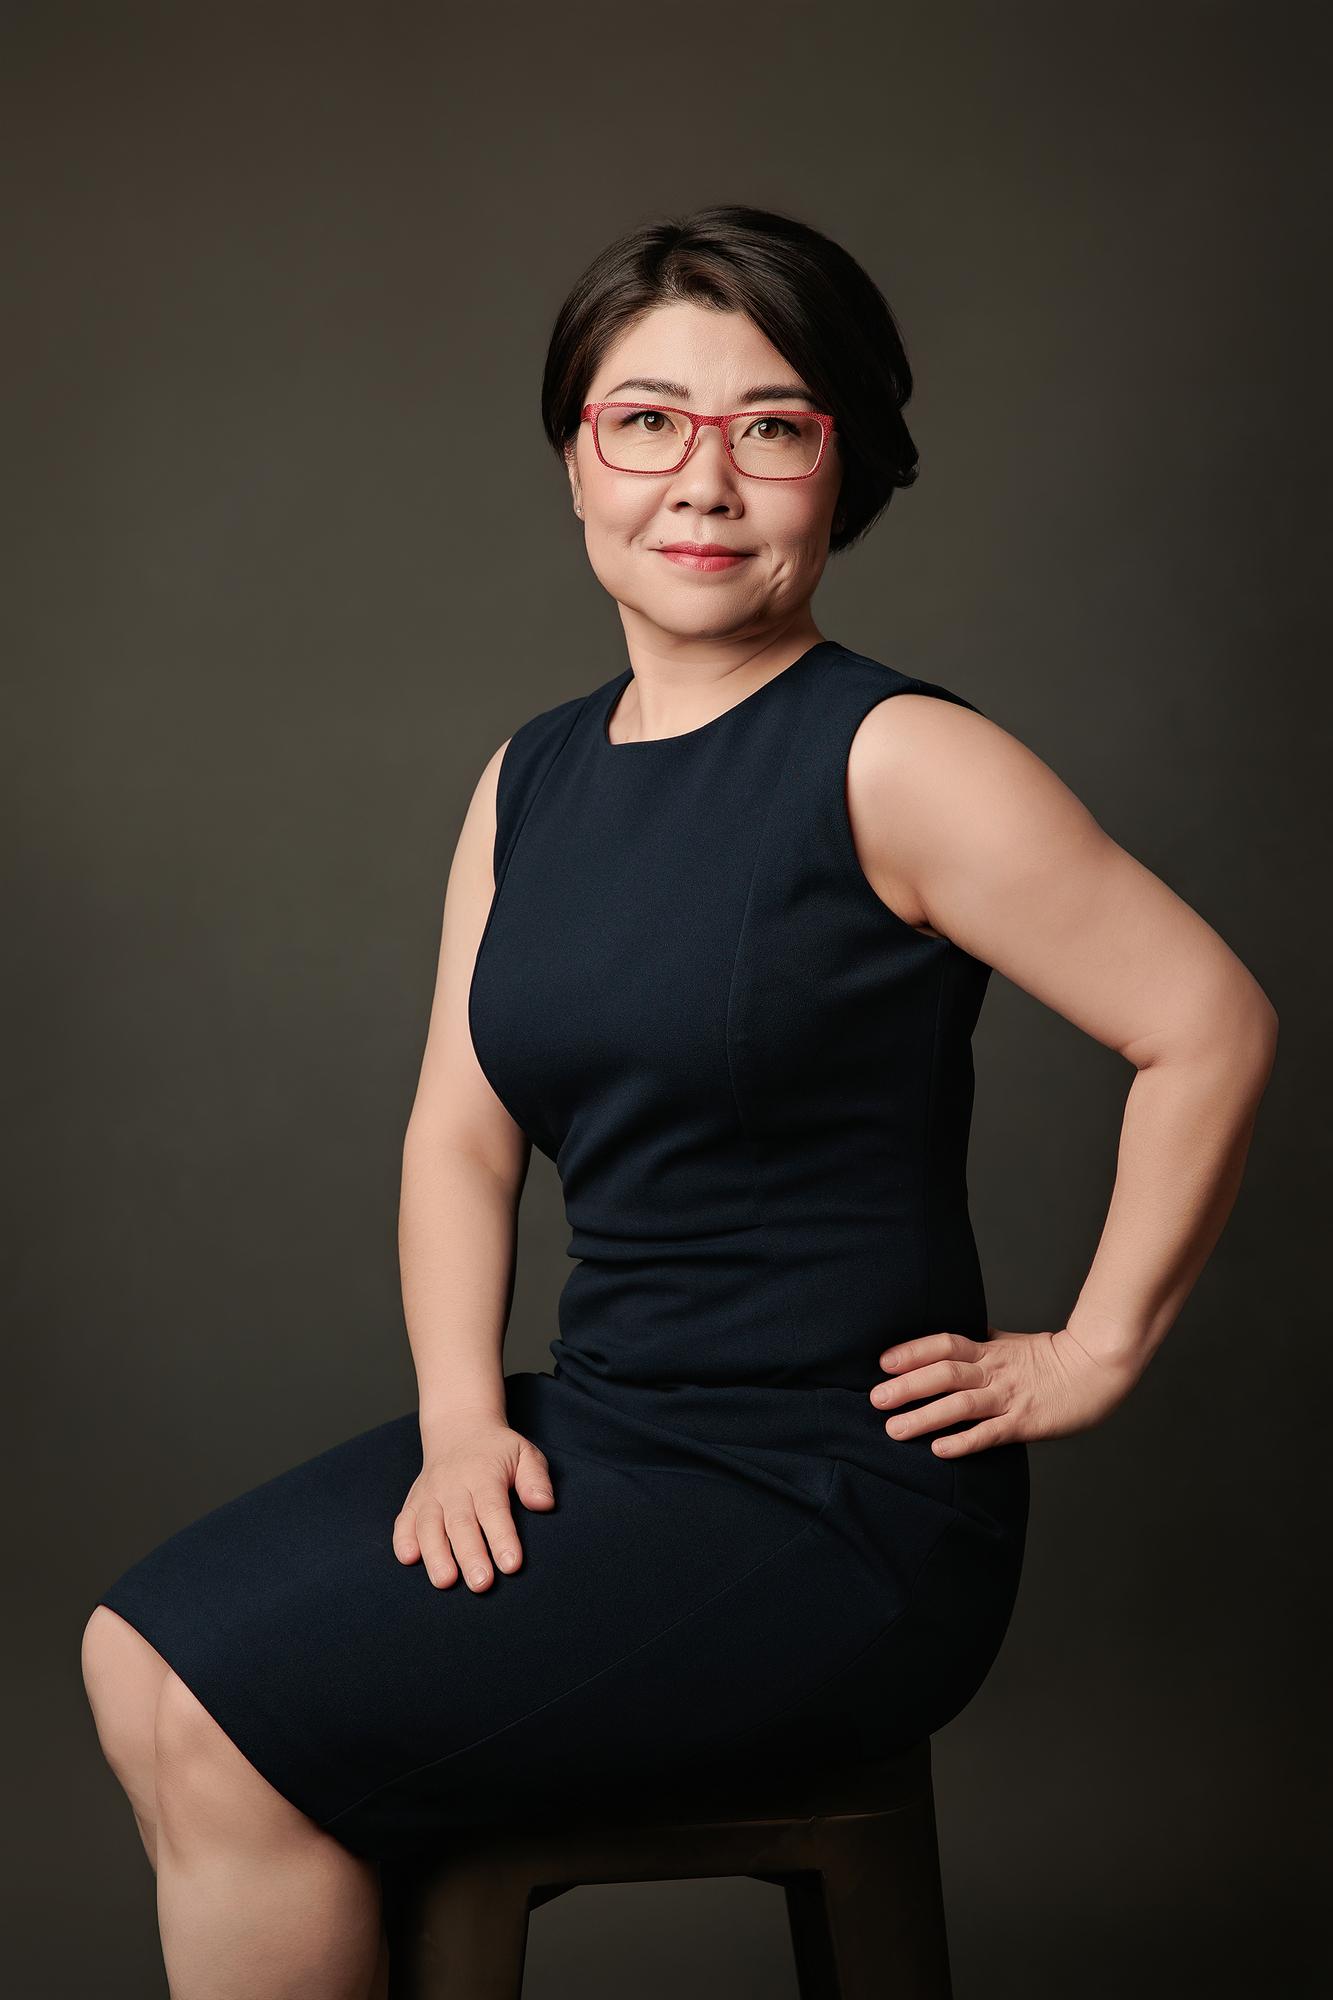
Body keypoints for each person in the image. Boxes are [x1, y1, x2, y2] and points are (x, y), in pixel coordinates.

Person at [81, 204, 1279, 2000]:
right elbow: (457, 1136)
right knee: (132, 1656)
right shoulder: (534, 778)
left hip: (828, 1505)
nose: (700, 481)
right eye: (646, 420)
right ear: (576, 456)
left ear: (841, 469)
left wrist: (1090, 1352)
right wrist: (458, 1422)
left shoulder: (897, 760)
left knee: (242, 1726)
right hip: (612, 1432)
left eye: (770, 427)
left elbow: (1209, 1021)